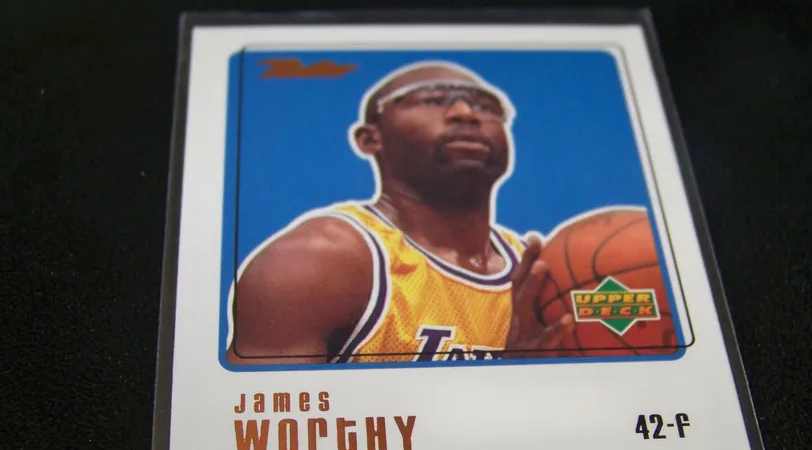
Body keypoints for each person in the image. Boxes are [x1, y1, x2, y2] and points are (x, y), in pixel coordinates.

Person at [226, 60, 574, 365]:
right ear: (370, 139)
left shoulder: (547, 270)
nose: (465, 113)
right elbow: (263, 417)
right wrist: (513, 380)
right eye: (433, 100)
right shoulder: (316, 261)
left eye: (487, 106)